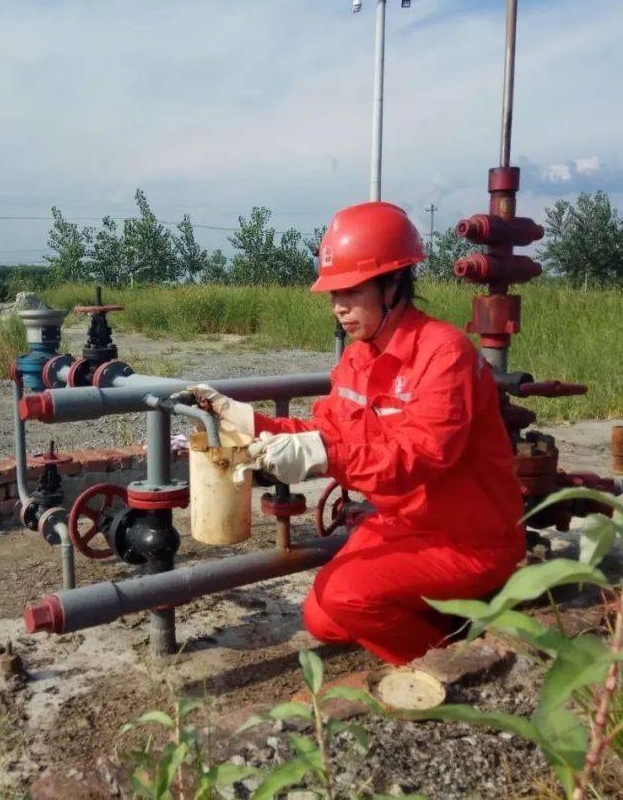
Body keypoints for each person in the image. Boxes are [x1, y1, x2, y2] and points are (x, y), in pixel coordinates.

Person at [187, 201, 524, 666]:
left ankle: (448, 669)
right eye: (332, 295)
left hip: (470, 537)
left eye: (350, 291)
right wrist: (246, 421)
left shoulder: (443, 353)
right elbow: (324, 429)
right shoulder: (358, 357)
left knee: (347, 596)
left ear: (392, 284)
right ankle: (456, 622)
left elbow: (423, 455)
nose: (339, 308)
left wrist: (322, 455)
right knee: (323, 620)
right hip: (404, 524)